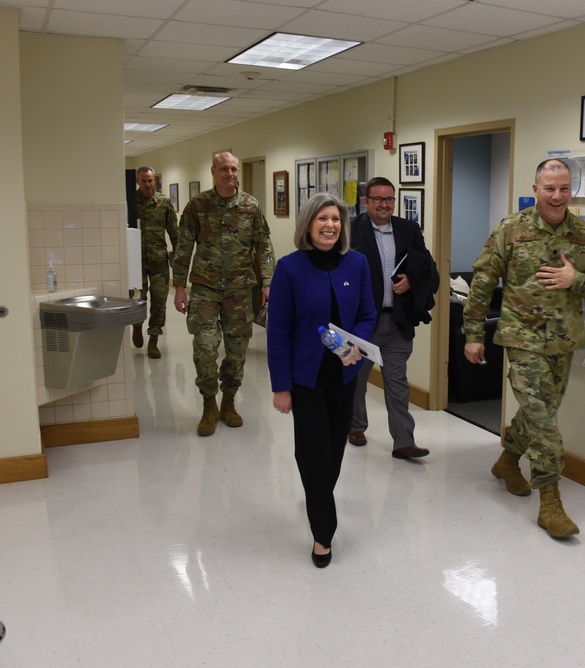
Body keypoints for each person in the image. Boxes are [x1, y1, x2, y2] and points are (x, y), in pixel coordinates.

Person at [463, 159, 585, 539]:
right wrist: (473, 333)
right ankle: (550, 502)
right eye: (549, 188)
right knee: (545, 422)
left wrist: (575, 278)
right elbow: (482, 280)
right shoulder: (512, 229)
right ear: (536, 189)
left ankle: (508, 461)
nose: (557, 196)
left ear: (571, 191)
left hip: (564, 341)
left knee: (538, 415)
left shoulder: (583, 234)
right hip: (522, 338)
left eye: (563, 188)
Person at [267, 192, 375, 568]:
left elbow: (367, 313)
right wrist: (281, 386)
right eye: (322, 218)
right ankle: (323, 533)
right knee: (312, 453)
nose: (330, 225)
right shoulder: (289, 268)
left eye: (336, 218)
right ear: (308, 224)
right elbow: (277, 331)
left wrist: (356, 342)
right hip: (305, 378)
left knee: (333, 450)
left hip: (344, 374)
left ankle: (317, 494)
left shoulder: (357, 264)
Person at [172, 151, 275, 437]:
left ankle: (229, 402)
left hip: (241, 290)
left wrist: (267, 282)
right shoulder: (198, 205)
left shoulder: (250, 205)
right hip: (204, 288)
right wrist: (179, 286)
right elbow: (183, 247)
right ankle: (209, 404)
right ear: (213, 172)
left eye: (233, 169)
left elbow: (264, 244)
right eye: (224, 169)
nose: (230, 174)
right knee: (204, 348)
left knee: (236, 350)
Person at [349, 177, 439, 459]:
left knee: (398, 383)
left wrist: (411, 282)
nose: (384, 205)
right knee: (357, 380)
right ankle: (355, 426)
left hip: (397, 320)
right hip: (363, 322)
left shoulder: (409, 229)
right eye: (378, 199)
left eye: (389, 199)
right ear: (366, 202)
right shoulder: (351, 230)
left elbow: (427, 268)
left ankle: (403, 441)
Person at [131, 166, 179, 359]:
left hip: (159, 260)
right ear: (137, 182)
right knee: (137, 299)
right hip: (136, 261)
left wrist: (178, 257)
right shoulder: (131, 201)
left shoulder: (164, 202)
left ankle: (153, 339)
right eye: (144, 181)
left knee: (159, 301)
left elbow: (174, 231)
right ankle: (136, 325)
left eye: (151, 180)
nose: (148, 184)